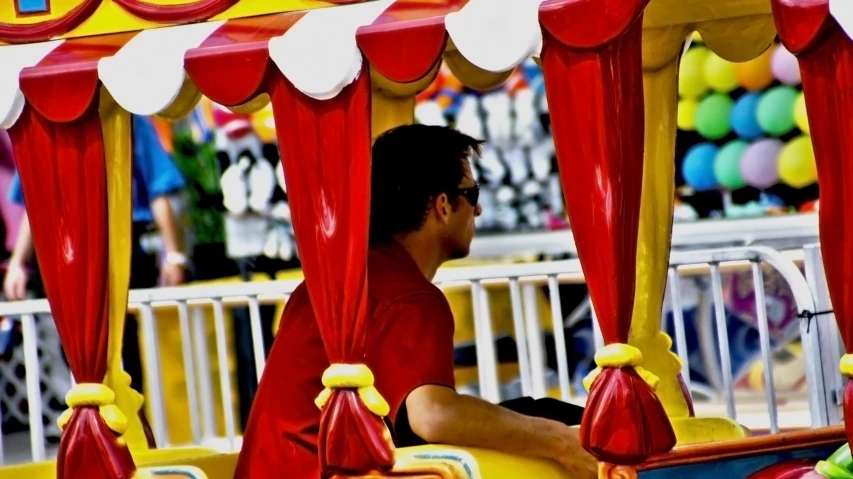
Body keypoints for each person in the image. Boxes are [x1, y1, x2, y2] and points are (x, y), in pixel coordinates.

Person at [234, 125, 596, 479]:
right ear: (442, 206)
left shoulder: (333, 283)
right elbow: (432, 415)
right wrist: (558, 442)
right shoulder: (410, 297)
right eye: (472, 194)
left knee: (536, 413)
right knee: (550, 423)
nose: (479, 210)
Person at [3, 115, 188, 396]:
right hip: (65, 254)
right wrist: (18, 263)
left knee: (123, 354)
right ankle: (92, 427)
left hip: (119, 247)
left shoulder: (127, 114)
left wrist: (174, 255)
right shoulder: (40, 123)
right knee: (77, 354)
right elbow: (35, 198)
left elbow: (158, 187)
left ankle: (125, 429)